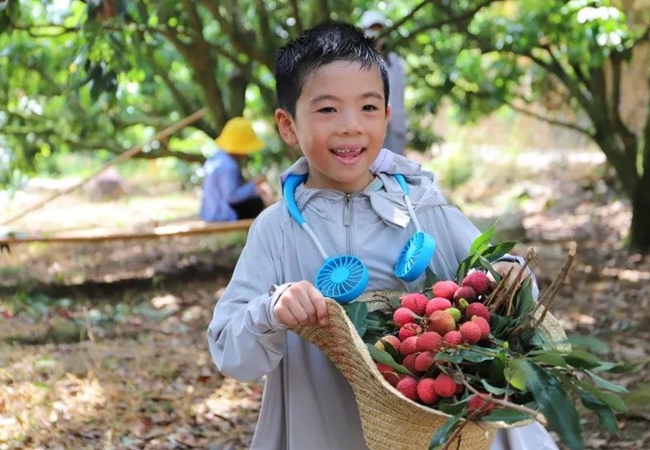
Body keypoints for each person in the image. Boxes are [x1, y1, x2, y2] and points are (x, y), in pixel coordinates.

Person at [207, 22, 558, 450]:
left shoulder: (425, 207)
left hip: (433, 431)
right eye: (327, 110)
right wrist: (270, 310)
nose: (351, 126)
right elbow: (232, 353)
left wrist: (511, 273)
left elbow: (499, 293)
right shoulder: (276, 229)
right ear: (287, 125)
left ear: (387, 116)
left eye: (368, 108)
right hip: (324, 429)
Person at [199, 117, 272, 222]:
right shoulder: (228, 166)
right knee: (256, 203)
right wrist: (254, 184)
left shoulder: (217, 157)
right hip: (222, 215)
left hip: (209, 212)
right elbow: (232, 197)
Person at [360, 9, 408, 156]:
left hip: (395, 126)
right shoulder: (359, 62)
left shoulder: (395, 61)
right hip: (370, 127)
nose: (377, 33)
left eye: (379, 29)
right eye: (372, 29)